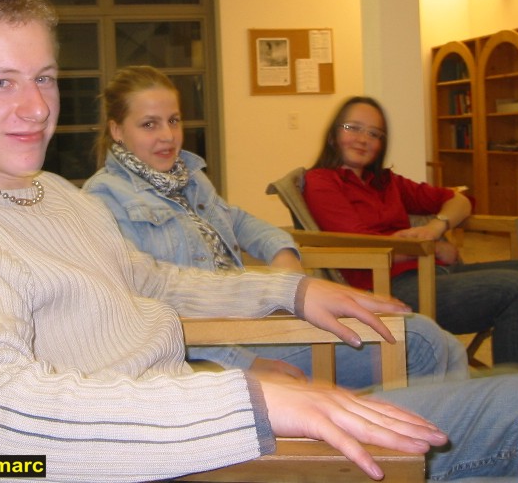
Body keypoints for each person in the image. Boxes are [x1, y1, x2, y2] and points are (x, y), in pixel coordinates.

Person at [0, 0, 518, 482]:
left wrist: (292, 291)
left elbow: (156, 280)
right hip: (187, 454)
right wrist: (250, 397)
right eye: (1, 82)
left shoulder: (57, 198)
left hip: (202, 426)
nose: (37, 107)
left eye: (43, 78)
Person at [83, 65, 468, 388]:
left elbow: (238, 220)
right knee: (420, 342)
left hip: (251, 319)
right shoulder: (104, 199)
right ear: (117, 130)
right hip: (208, 351)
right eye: (149, 124)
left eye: (173, 120)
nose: (167, 136)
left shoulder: (189, 176)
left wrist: (283, 252)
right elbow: (147, 315)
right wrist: (248, 364)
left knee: (444, 344)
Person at [302, 94, 518, 442]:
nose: (363, 139)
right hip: (386, 289)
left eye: (374, 133)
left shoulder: (387, 183)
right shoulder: (322, 181)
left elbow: (459, 199)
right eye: (353, 128)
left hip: (433, 273)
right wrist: (429, 248)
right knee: (517, 290)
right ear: (334, 133)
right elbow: (357, 244)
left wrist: (438, 226)